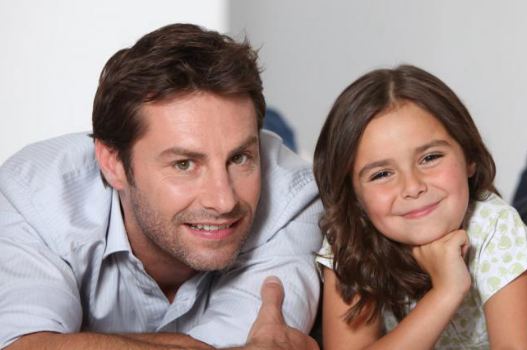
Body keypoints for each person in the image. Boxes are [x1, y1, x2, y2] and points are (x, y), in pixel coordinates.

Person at [0, 24, 321, 349]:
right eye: (184, 164)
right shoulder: (33, 196)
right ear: (112, 163)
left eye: (239, 158)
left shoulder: (294, 197)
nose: (223, 201)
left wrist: (71, 341)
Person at [313, 65, 527, 349]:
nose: (412, 186)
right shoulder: (349, 240)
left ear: (469, 156)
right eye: (382, 174)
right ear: (353, 195)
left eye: (430, 157)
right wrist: (446, 292)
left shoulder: (496, 227)